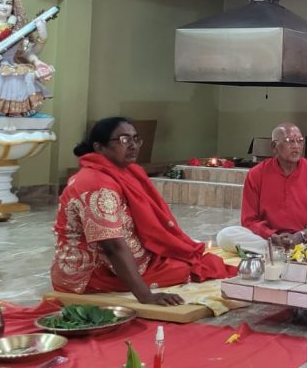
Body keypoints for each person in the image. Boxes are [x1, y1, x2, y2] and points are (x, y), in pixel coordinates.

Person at [51, 117, 235, 305]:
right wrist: (145, 296)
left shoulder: (122, 172)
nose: (133, 145)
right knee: (185, 268)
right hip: (93, 273)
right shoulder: (97, 184)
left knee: (185, 253)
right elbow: (112, 246)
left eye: (136, 139)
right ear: (99, 147)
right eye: (124, 140)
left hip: (127, 256)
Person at [217, 123, 307, 254]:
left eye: (300, 141)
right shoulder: (256, 174)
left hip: (306, 237)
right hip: (269, 239)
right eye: (289, 141)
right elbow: (249, 220)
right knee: (225, 235)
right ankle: (280, 250)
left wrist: (301, 235)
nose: (296, 146)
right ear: (274, 146)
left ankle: (279, 252)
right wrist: (271, 236)